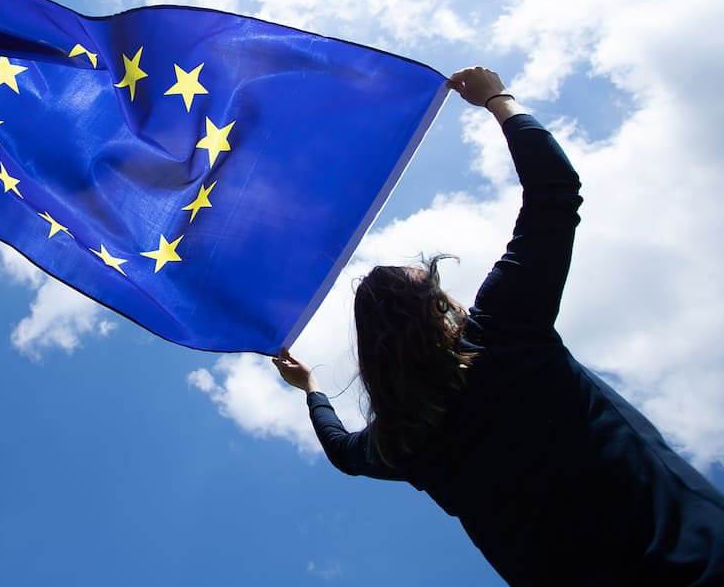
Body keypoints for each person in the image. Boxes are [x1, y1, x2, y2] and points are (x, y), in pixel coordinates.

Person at [273, 66, 724, 586]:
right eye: (442, 297)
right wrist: (498, 99)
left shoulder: (402, 444)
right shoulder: (501, 331)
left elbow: (340, 452)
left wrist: (312, 388)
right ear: (435, 308)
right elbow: (555, 191)